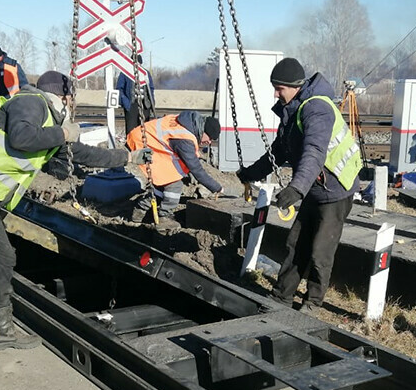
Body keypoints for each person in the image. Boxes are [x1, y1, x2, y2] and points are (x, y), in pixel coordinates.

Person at [0, 70, 152, 373]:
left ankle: (0, 330)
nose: (71, 104)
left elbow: (80, 155)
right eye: (70, 98)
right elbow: (22, 138)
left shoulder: (48, 125)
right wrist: (63, 134)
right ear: (61, 96)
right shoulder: (30, 101)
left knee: (3, 258)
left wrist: (127, 158)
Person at [236, 57, 362, 314]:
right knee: (296, 244)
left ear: (295, 86)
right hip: (314, 187)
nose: (275, 93)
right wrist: (250, 173)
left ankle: (313, 303)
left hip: (336, 189)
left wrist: (296, 188)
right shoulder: (292, 110)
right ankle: (282, 297)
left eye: (279, 88)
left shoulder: (317, 109)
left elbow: (314, 152)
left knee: (320, 251)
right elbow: (278, 152)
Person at [126, 111, 222, 227]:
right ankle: (164, 216)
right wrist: (216, 187)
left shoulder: (188, 125)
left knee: (164, 181)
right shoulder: (184, 139)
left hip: (148, 140)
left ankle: (140, 210)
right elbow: (196, 168)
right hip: (144, 143)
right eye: (210, 138)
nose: (209, 142)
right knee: (174, 184)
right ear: (203, 131)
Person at [117, 54, 156, 136]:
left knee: (145, 129)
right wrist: (125, 102)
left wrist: (151, 103)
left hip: (145, 104)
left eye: (139, 63)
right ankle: (131, 146)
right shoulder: (125, 73)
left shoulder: (146, 73)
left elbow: (151, 88)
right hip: (131, 104)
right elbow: (119, 88)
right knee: (131, 129)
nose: (137, 64)